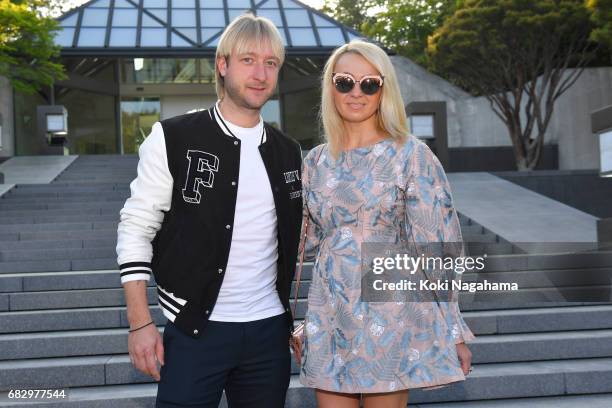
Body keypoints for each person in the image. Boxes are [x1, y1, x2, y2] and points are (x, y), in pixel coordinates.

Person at [116, 14, 303, 408]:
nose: (261, 73)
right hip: (194, 329)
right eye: (248, 60)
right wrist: (140, 323)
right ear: (222, 64)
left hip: (268, 334)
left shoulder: (288, 151)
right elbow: (136, 229)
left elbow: (302, 242)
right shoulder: (173, 136)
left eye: (271, 63)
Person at [299, 40, 475, 408]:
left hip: (390, 310)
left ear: (384, 90)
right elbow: (297, 245)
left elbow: (438, 247)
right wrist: (297, 321)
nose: (356, 93)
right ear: (330, 86)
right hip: (330, 312)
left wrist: (453, 326)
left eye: (369, 83)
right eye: (345, 81)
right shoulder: (314, 162)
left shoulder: (411, 154)